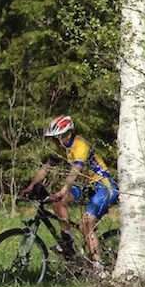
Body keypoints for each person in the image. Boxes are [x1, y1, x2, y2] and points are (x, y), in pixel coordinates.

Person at [20, 115, 118, 268]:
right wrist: (31, 187)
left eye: (57, 138)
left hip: (103, 186)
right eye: (53, 139)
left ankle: (99, 269)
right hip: (87, 187)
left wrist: (64, 189)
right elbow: (46, 168)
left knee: (86, 223)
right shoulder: (63, 148)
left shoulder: (80, 145)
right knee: (58, 201)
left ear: (68, 133)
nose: (55, 142)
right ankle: (67, 242)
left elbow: (75, 171)